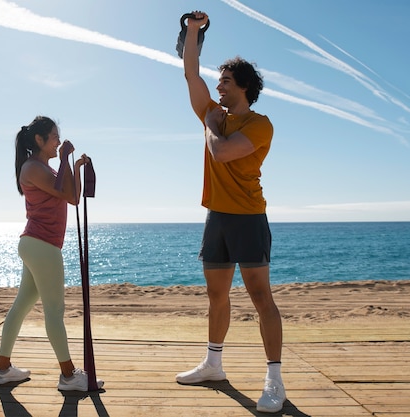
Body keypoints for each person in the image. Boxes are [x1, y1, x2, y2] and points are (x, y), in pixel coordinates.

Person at [174, 11, 286, 413]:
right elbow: (190, 74)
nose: (217, 84)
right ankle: (213, 364)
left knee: (260, 297)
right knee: (216, 297)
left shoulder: (259, 124)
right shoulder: (215, 113)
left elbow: (220, 152)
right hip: (217, 217)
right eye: (218, 79)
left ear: (243, 87)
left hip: (249, 218)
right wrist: (191, 31)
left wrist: (207, 122)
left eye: (224, 80)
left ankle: (274, 379)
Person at [0, 116, 103, 392]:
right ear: (39, 140)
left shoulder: (47, 168)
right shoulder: (32, 168)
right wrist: (65, 160)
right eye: (54, 136)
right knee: (54, 311)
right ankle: (68, 375)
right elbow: (59, 190)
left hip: (38, 245)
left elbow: (72, 196)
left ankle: (2, 370)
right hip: (42, 245)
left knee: (21, 306)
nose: (58, 140)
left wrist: (74, 166)